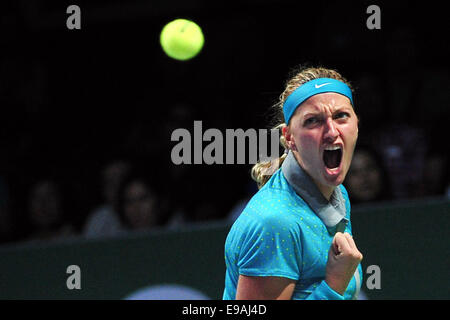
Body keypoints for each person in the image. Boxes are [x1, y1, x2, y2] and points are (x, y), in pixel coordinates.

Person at [223, 66, 363, 300]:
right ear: (289, 137)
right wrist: (335, 285)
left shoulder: (336, 193)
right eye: (313, 121)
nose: (331, 131)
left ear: (356, 124)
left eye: (341, 116)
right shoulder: (275, 224)